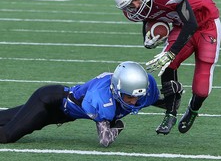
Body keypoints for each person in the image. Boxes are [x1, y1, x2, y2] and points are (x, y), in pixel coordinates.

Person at [110, 0, 221, 135]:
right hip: (181, 25)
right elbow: (147, 18)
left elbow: (191, 23)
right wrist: (148, 39)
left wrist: (171, 53)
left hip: (206, 24)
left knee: (201, 86)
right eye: (129, 5)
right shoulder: (136, 7)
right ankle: (170, 113)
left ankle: (193, 109)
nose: (135, 6)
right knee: (167, 65)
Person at [0, 61, 182, 146]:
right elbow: (104, 140)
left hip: (60, 113)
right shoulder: (101, 99)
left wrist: (173, 99)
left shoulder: (143, 91)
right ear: (116, 90)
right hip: (49, 103)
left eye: (137, 97)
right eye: (129, 97)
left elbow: (154, 102)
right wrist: (117, 126)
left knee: (4, 118)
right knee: (7, 135)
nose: (134, 102)